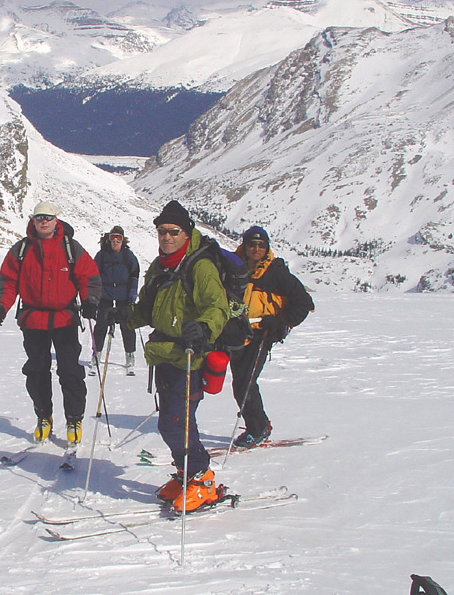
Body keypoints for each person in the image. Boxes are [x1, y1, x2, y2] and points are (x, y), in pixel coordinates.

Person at [121, 200, 230, 512]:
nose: (166, 237)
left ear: (186, 233)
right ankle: (187, 474)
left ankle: (203, 479)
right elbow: (147, 309)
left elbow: (217, 307)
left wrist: (204, 328)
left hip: (190, 355)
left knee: (176, 423)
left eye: (173, 231)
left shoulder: (200, 266)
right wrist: (124, 316)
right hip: (164, 353)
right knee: (173, 421)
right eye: (161, 231)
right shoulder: (160, 266)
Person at [0, 202, 101, 446]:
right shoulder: (22, 249)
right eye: (39, 217)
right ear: (33, 220)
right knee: (37, 371)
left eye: (48, 217)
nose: (44, 222)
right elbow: (9, 282)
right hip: (33, 320)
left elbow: (87, 276)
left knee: (70, 371)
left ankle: (74, 419)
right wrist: (1, 307)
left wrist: (89, 301)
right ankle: (43, 415)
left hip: (65, 318)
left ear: (56, 219)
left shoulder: (70, 248)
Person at [229, 225, 314, 448]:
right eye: (252, 244)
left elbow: (304, 304)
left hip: (260, 334)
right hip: (235, 333)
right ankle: (259, 425)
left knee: (244, 384)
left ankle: (258, 428)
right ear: (244, 245)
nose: (256, 249)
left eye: (261, 245)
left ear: (267, 248)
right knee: (241, 383)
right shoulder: (233, 267)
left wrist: (280, 321)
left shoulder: (276, 273)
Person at [92, 225, 140, 372]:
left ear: (123, 240)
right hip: (105, 293)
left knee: (127, 325)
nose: (115, 241)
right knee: (101, 324)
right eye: (112, 238)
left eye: (118, 238)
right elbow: (94, 273)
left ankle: (130, 355)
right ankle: (96, 354)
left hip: (123, 294)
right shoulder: (102, 255)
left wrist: (133, 290)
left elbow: (134, 273)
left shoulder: (128, 255)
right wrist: (94, 292)